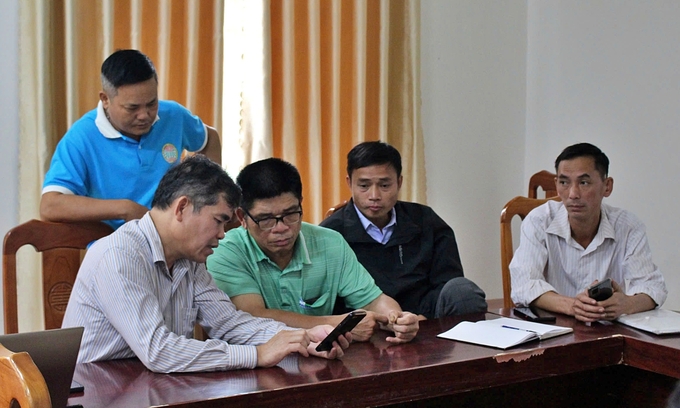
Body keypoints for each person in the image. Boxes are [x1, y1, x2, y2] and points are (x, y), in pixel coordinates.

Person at [62, 155, 349, 373]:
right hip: (99, 392)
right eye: (219, 220)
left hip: (155, 387)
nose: (223, 234)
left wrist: (300, 338)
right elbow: (157, 350)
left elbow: (229, 323)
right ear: (182, 207)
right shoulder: (118, 256)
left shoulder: (190, 259)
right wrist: (258, 354)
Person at [207, 158, 419, 344]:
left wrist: (396, 319)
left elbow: (373, 300)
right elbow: (253, 317)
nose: (280, 228)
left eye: (291, 214)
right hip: (253, 367)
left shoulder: (330, 243)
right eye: (266, 219)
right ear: (242, 217)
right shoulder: (225, 252)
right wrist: (339, 325)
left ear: (301, 204)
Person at [40, 49, 221, 230]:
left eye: (151, 103)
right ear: (105, 99)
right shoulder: (82, 137)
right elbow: (50, 205)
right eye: (132, 108)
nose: (144, 115)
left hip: (175, 240)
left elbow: (210, 139)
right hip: (114, 246)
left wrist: (207, 197)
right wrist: (124, 209)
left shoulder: (173, 115)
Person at [320, 141, 487, 319]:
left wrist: (424, 320)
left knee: (463, 292)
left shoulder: (426, 220)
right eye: (364, 186)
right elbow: (330, 303)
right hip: (366, 323)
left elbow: (447, 281)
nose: (374, 196)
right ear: (349, 183)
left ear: (399, 182)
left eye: (384, 185)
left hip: (426, 317)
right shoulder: (331, 234)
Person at [510, 142, 667, 322]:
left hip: (608, 333)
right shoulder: (539, 220)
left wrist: (626, 304)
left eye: (584, 182)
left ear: (607, 186)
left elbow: (653, 287)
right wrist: (573, 306)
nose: (573, 194)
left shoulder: (628, 226)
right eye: (564, 182)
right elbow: (523, 285)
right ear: (556, 184)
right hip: (553, 331)